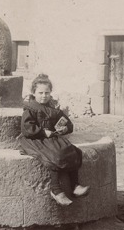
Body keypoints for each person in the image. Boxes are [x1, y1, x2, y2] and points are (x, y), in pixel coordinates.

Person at [19, 74, 89, 206]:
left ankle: (75, 186)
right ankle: (56, 190)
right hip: (35, 139)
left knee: (73, 151)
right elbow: (27, 128)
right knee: (55, 154)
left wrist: (64, 129)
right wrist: (42, 131)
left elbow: (68, 124)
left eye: (47, 92)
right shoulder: (30, 108)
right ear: (33, 93)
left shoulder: (53, 109)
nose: (44, 96)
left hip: (51, 138)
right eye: (40, 93)